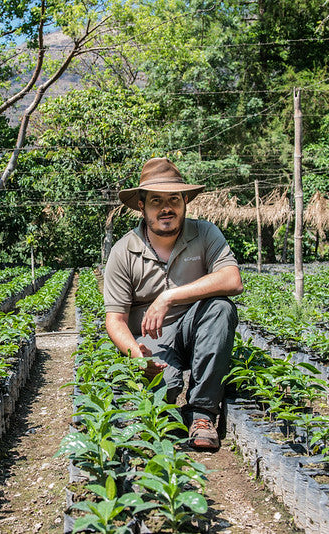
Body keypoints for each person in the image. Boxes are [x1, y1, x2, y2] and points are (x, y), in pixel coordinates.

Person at [103, 157, 243, 450]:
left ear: (184, 202)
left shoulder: (204, 233)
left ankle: (202, 414)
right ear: (142, 205)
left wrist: (169, 296)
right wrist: (135, 354)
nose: (166, 208)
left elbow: (232, 280)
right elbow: (115, 319)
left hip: (198, 331)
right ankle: (166, 406)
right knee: (164, 390)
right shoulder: (124, 251)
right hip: (155, 339)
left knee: (221, 308)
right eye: (156, 200)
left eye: (174, 199)